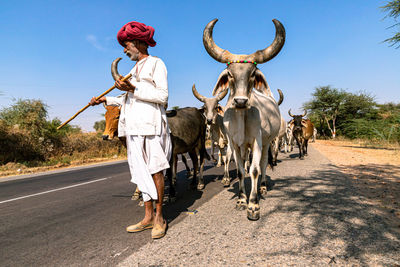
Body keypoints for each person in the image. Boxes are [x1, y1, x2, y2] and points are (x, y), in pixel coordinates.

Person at [89, 21, 171, 239]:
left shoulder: (156, 63)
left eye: (126, 45)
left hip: (150, 125)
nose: (124, 50)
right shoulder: (134, 69)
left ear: (138, 42)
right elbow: (128, 98)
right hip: (133, 127)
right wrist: (105, 99)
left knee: (155, 170)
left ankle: (160, 217)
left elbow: (162, 96)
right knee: (140, 173)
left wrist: (134, 87)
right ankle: (147, 217)